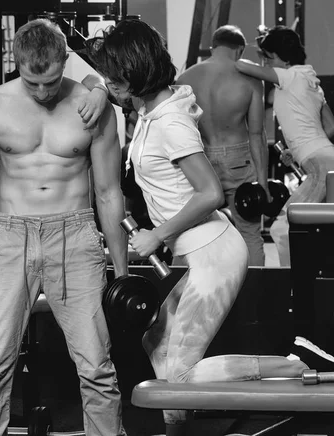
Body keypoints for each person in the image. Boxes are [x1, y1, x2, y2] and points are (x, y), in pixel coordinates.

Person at [86, 19, 334, 436]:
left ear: (135, 72)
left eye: (115, 78)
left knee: (179, 376)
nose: (110, 84)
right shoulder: (153, 110)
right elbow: (94, 71)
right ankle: (181, 428)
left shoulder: (171, 123)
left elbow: (211, 192)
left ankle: (297, 364)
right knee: (157, 345)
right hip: (202, 251)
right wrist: (96, 84)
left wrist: (158, 235)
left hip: (215, 255)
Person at [0, 18, 129, 436]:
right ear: (18, 64)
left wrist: (122, 274)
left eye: (51, 82)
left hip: (75, 234)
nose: (44, 93)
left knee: (96, 366)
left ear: (64, 61)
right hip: (12, 236)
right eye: (33, 84)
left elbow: (108, 193)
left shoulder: (91, 107)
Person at [235, 25, 334, 266]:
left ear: (285, 59)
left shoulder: (289, 77)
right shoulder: (311, 82)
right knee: (320, 228)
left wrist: (236, 53)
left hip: (320, 167)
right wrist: (296, 149)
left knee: (282, 228)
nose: (267, 64)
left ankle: (292, 287)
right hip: (325, 157)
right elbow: (329, 127)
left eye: (270, 58)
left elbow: (240, 66)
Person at [176, 24, 271, 266]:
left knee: (190, 232)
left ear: (213, 47)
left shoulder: (186, 78)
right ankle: (254, 298)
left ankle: (182, 297)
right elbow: (257, 134)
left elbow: (177, 130)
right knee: (249, 232)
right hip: (239, 159)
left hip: (200, 159)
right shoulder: (250, 79)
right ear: (239, 50)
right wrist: (262, 183)